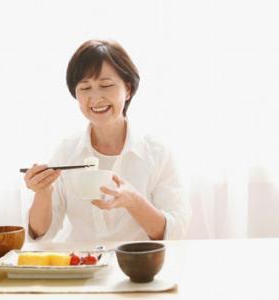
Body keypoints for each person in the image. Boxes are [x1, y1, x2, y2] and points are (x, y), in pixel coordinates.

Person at [24, 39, 191, 241]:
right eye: (85, 88)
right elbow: (41, 235)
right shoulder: (66, 150)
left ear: (128, 89)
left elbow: (174, 232)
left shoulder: (157, 152)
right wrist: (43, 193)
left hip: (138, 268)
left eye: (106, 85)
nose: (95, 98)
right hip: (81, 267)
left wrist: (134, 202)